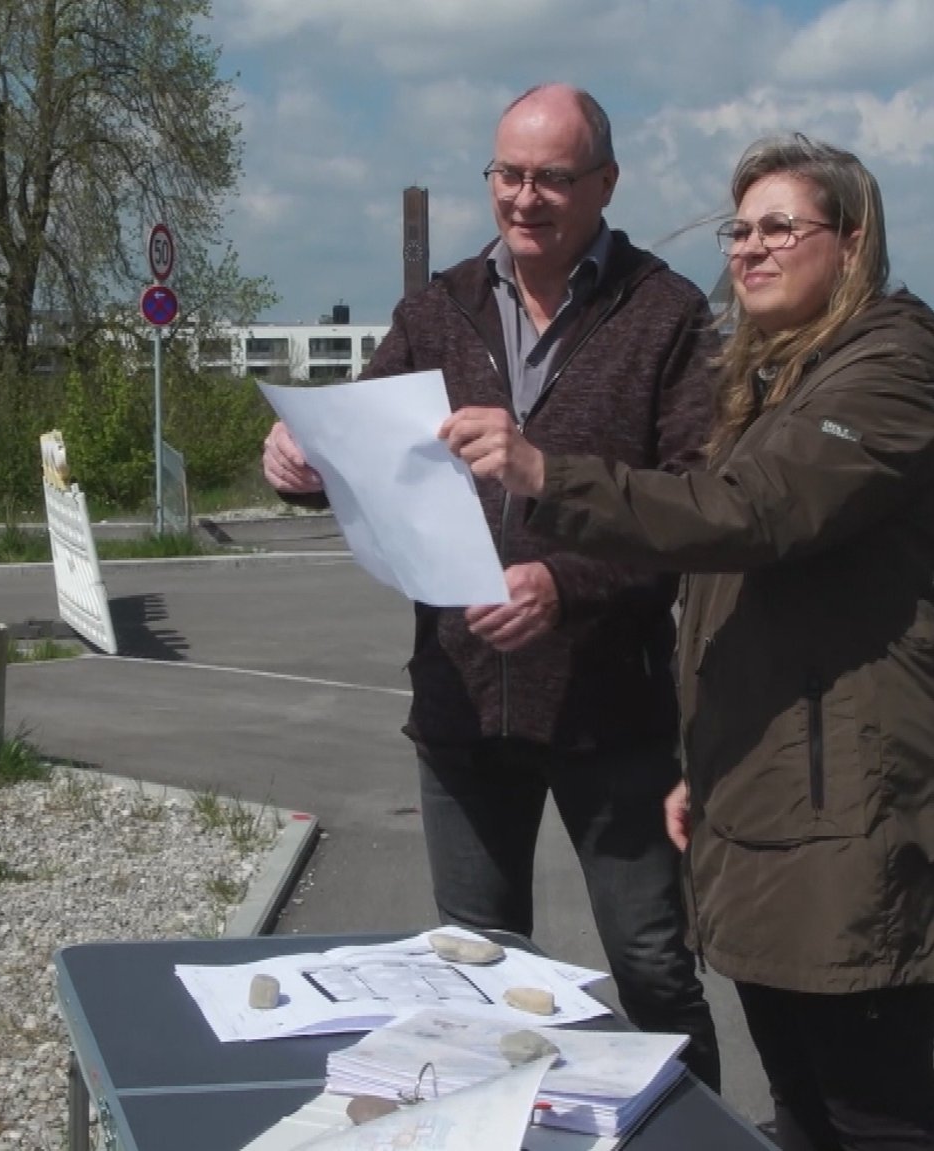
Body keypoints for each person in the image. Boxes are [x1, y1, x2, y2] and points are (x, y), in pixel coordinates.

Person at [442, 132, 934, 1150]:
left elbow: (749, 510)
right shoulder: (778, 373)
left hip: (857, 798)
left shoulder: (889, 373)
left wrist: (542, 475)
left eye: (780, 226)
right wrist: (713, 758)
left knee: (869, 1106)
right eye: (738, 229)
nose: (748, 248)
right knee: (798, 1096)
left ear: (854, 241)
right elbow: (733, 593)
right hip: (773, 776)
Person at [262, 83, 721, 1087]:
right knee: (474, 966)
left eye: (552, 177)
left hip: (611, 708)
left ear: (604, 183)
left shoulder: (665, 314)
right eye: (507, 174)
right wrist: (296, 459)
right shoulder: (435, 310)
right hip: (461, 699)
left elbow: (695, 506)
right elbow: (360, 446)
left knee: (649, 965)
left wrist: (565, 581)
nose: (524, 198)